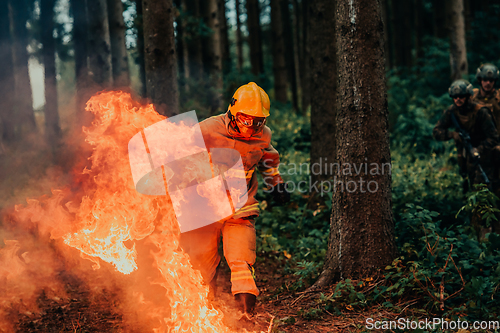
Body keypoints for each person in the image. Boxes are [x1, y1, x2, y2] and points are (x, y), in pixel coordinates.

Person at [179, 82, 290, 318]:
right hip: (203, 210)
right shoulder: (208, 129)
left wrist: (276, 183)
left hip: (239, 209)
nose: (252, 127)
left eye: (258, 121)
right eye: (246, 119)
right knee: (200, 263)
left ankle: (245, 314)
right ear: (232, 111)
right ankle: (202, 311)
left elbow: (268, 159)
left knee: (241, 259)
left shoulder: (264, 135)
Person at [433, 79, 498, 190]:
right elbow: (437, 131)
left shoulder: (481, 112)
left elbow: (494, 138)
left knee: (486, 188)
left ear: (468, 96)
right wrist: (452, 134)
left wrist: (478, 149)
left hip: (485, 156)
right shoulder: (452, 111)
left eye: (461, 96)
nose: (458, 99)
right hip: (465, 156)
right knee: (468, 187)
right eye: (455, 97)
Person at [472, 63, 500, 132]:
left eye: (491, 80)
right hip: (476, 140)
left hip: (496, 139)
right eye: (485, 79)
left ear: (494, 81)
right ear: (480, 80)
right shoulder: (472, 96)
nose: (488, 83)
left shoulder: (498, 97)